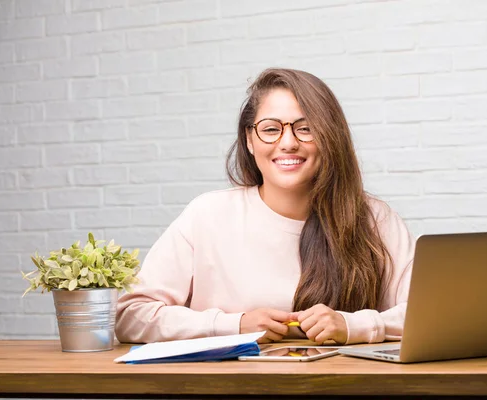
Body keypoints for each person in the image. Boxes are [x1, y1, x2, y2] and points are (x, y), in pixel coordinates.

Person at [115, 68, 415, 345]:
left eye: (306, 128)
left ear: (330, 138)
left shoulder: (375, 218)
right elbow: (131, 316)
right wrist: (234, 325)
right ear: (249, 140)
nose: (288, 143)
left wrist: (352, 326)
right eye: (271, 129)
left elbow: (429, 314)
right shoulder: (207, 214)